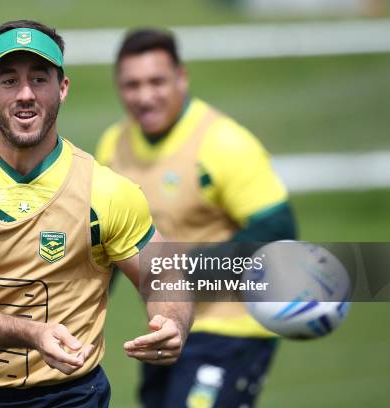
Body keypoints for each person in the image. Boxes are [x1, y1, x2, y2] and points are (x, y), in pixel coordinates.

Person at [0, 20, 193, 408]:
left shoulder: (105, 190)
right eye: (9, 81)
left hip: (73, 396)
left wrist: (173, 323)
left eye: (39, 79)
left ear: (62, 89)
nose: (25, 94)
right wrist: (31, 333)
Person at [96, 29, 297, 408]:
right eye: (131, 85)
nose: (144, 96)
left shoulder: (223, 143)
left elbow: (278, 231)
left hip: (231, 329)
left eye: (157, 81)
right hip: (166, 330)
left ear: (181, 78)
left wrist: (181, 271)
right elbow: (107, 241)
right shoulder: (113, 146)